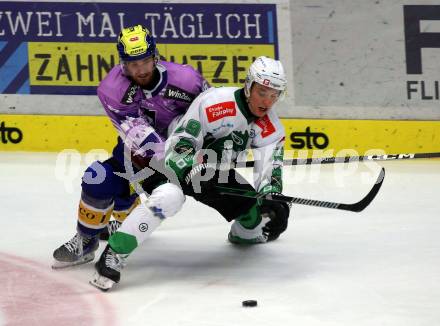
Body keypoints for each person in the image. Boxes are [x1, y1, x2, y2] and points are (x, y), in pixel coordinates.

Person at [90, 56, 291, 291]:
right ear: (249, 86)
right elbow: (182, 139)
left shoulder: (271, 128)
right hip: (170, 163)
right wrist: (190, 164)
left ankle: (245, 234)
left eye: (274, 94)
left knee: (254, 212)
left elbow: (269, 168)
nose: (267, 101)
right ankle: (115, 252)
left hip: (211, 174)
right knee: (169, 197)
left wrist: (272, 197)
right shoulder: (215, 103)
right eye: (262, 92)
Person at [52, 25, 209, 269]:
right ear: (123, 63)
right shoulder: (112, 89)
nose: (140, 70)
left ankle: (254, 223)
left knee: (229, 192)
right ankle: (86, 241)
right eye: (133, 63)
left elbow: (211, 112)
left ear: (155, 56)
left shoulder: (186, 79)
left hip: (189, 153)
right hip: (137, 157)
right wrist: (172, 156)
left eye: (145, 61)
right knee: (97, 178)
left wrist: (210, 147)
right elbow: (139, 135)